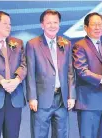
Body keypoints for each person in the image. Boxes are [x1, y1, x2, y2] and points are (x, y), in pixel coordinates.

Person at [26, 9, 76, 138]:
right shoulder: (33, 44)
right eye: (49, 23)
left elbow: (70, 72)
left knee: (62, 134)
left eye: (55, 22)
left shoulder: (66, 44)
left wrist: (71, 95)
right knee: (39, 135)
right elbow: (30, 73)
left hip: (62, 99)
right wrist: (32, 97)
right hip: (42, 99)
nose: (52, 26)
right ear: (42, 25)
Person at [72, 12, 102, 138]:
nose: (97, 28)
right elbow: (82, 71)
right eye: (93, 25)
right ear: (85, 27)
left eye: (100, 24)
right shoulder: (80, 46)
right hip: (89, 102)